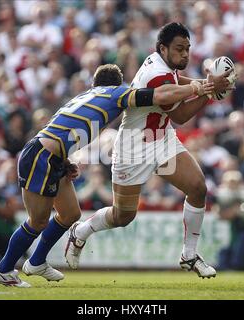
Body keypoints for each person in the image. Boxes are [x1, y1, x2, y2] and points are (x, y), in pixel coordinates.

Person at [0, 63, 215, 287]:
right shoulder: (116, 93)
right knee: (37, 221)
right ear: (117, 85)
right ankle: (4, 269)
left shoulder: (87, 95)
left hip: (52, 154)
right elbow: (160, 94)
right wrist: (200, 88)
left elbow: (61, 128)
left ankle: (37, 261)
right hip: (42, 157)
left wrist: (65, 160)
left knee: (70, 214)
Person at [65, 23, 235, 278]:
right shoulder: (156, 72)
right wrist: (208, 90)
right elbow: (179, 114)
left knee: (198, 187)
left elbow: (181, 84)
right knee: (123, 216)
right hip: (134, 147)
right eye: (180, 49)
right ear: (162, 48)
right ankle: (81, 232)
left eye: (188, 49)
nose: (185, 55)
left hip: (161, 138)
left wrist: (208, 85)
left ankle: (189, 254)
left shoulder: (165, 64)